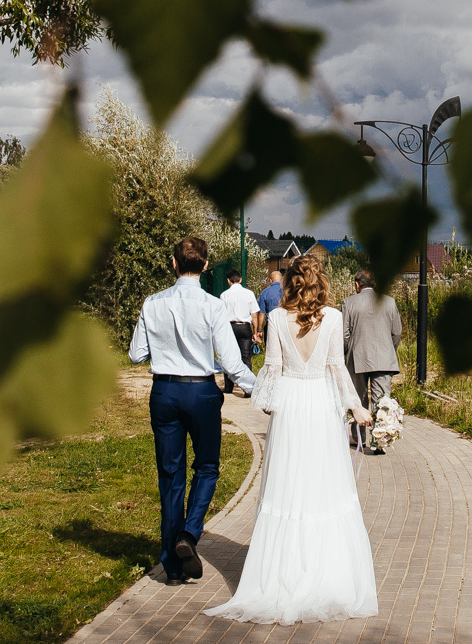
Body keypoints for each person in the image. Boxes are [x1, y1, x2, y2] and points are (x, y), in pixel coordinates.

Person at [206, 255, 376, 624]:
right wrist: (356, 407)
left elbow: (272, 369)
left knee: (286, 487)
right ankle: (325, 575)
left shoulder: (278, 318)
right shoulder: (333, 318)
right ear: (321, 282)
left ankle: (282, 576)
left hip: (290, 406)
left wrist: (268, 402)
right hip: (321, 405)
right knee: (323, 488)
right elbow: (336, 368)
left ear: (289, 283)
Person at [129, 235, 255, 585]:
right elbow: (232, 363)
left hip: (164, 390)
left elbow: (136, 354)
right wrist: (261, 389)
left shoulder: (152, 302)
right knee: (207, 467)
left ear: (173, 264)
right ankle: (189, 533)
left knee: (170, 475)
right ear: (205, 266)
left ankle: (171, 567)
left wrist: (162, 345)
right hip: (200, 391)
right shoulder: (213, 305)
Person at [342, 271, 403, 453]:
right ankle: (380, 440)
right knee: (382, 401)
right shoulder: (389, 301)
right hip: (384, 357)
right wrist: (389, 349)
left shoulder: (349, 302)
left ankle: (358, 438)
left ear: (357, 284)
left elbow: (344, 333)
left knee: (358, 398)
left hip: (357, 357)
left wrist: (346, 352)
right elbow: (397, 332)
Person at [218, 268, 261, 396]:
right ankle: (248, 388)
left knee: (228, 356)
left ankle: (228, 386)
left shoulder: (224, 295)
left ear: (228, 281)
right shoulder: (249, 294)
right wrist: (255, 332)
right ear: (240, 279)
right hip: (245, 327)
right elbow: (254, 315)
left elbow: (221, 315)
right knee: (246, 356)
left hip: (230, 327)